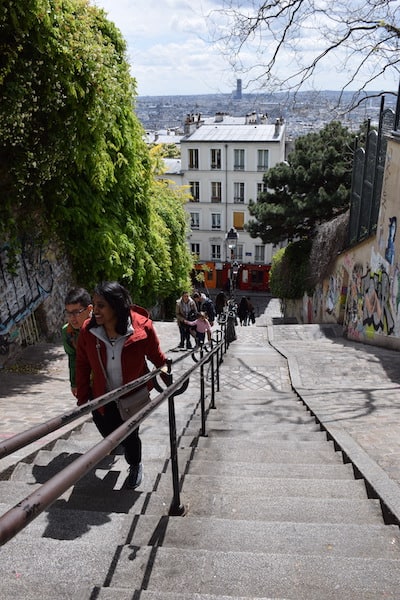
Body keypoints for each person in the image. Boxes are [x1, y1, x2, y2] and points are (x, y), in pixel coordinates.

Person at [75, 281, 167, 489]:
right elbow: (81, 364)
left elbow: (157, 356)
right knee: (109, 434)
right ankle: (120, 445)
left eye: (101, 306)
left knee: (131, 436)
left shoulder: (142, 327)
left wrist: (167, 373)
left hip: (131, 397)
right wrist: (82, 398)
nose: (94, 310)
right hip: (101, 397)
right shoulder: (88, 331)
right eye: (94, 304)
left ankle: (135, 465)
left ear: (116, 306)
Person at [62, 287, 93, 397]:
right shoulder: (68, 331)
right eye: (69, 313)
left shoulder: (101, 327)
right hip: (89, 383)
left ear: (89, 309)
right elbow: (72, 357)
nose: (72, 318)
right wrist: (75, 383)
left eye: (76, 313)